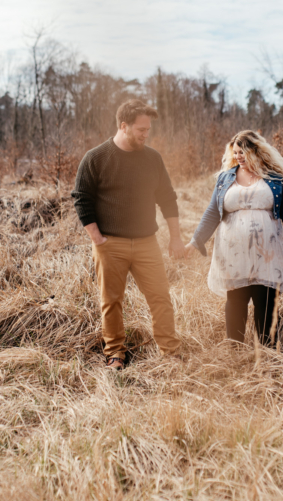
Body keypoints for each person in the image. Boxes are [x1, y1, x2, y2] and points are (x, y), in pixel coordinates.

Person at [71, 99, 185, 370]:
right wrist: (98, 239)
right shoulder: (96, 158)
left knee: (160, 297)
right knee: (111, 302)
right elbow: (81, 200)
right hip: (110, 244)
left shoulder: (152, 158)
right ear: (123, 126)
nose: (146, 134)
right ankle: (115, 354)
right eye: (141, 130)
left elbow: (167, 199)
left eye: (148, 130)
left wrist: (175, 237)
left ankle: (170, 353)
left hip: (147, 243)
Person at [185, 130, 283, 346]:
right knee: (236, 301)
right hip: (233, 253)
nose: (239, 156)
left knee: (266, 301)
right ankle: (235, 350)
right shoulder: (226, 178)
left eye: (244, 152)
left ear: (257, 151)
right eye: (236, 152)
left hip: (267, 254)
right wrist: (196, 241)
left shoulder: (275, 179)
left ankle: (266, 353)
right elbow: (213, 211)